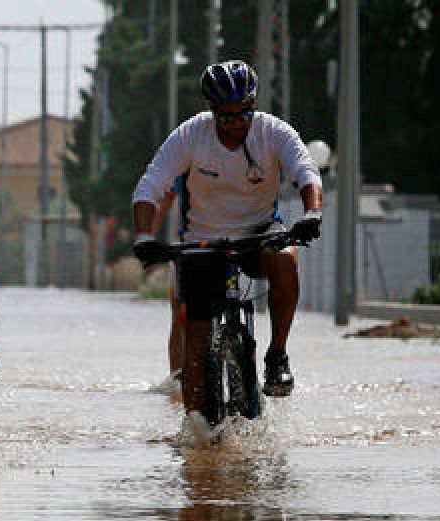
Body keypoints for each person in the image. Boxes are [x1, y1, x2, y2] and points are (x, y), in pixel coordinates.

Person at [131, 59, 323, 417]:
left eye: (243, 114)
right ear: (211, 110)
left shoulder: (275, 132)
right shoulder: (190, 136)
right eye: (226, 116)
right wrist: (144, 235)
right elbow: (149, 186)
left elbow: (306, 172)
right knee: (198, 345)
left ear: (253, 106)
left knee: (286, 258)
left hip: (258, 232)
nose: (236, 124)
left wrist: (312, 213)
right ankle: (197, 432)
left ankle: (277, 354)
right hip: (203, 241)